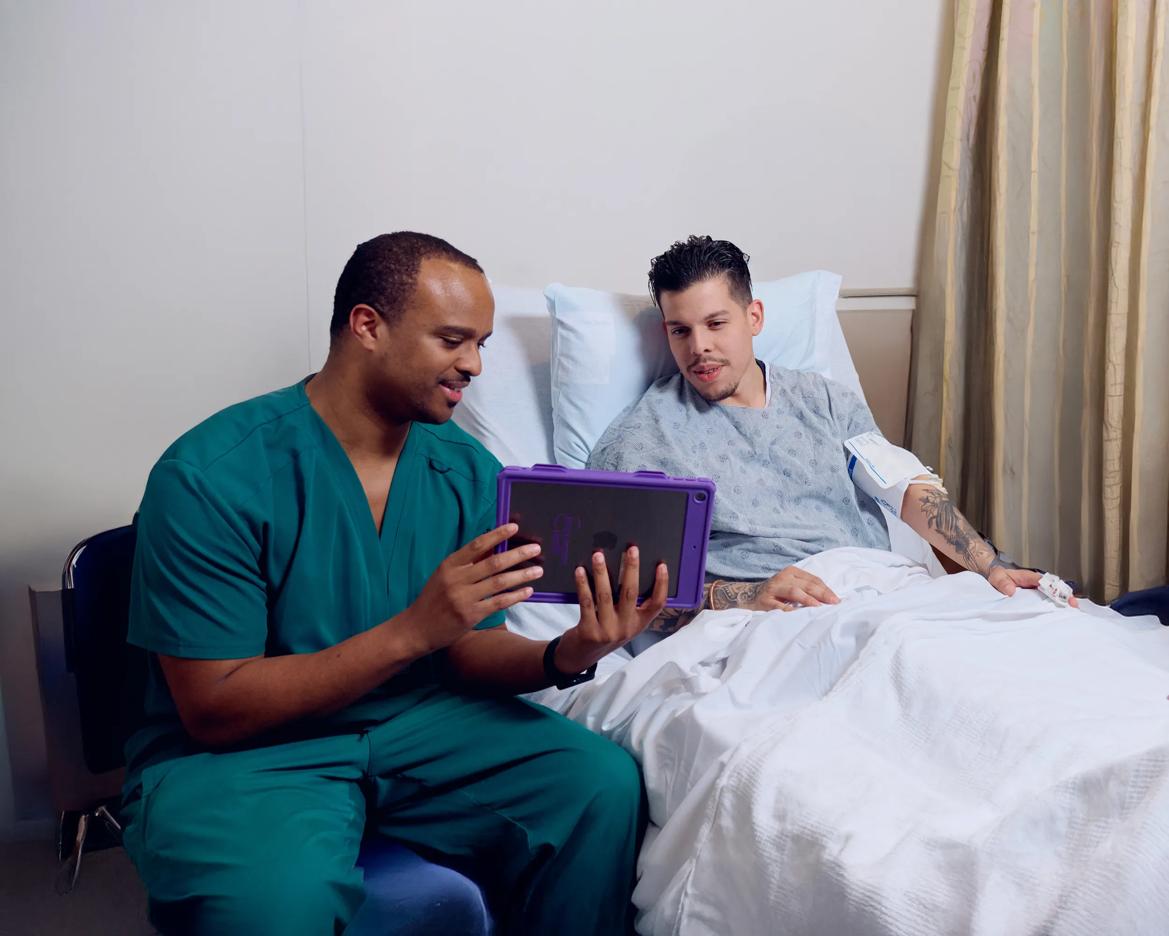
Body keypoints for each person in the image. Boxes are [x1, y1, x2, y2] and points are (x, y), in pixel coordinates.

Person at [120, 232, 670, 935]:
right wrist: (414, 630)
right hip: (247, 757)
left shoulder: (465, 469)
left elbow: (469, 648)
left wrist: (568, 653)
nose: (472, 364)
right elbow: (215, 708)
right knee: (277, 905)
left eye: (480, 343)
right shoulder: (211, 476)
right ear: (367, 327)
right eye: (451, 340)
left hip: (414, 722)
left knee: (598, 785)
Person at [587, 234, 1070, 630]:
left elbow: (905, 489)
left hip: (878, 593)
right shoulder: (641, 441)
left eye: (716, 323)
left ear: (754, 317)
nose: (700, 348)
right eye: (680, 331)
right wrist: (744, 595)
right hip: (761, 623)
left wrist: (989, 566)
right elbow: (632, 598)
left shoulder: (825, 401)